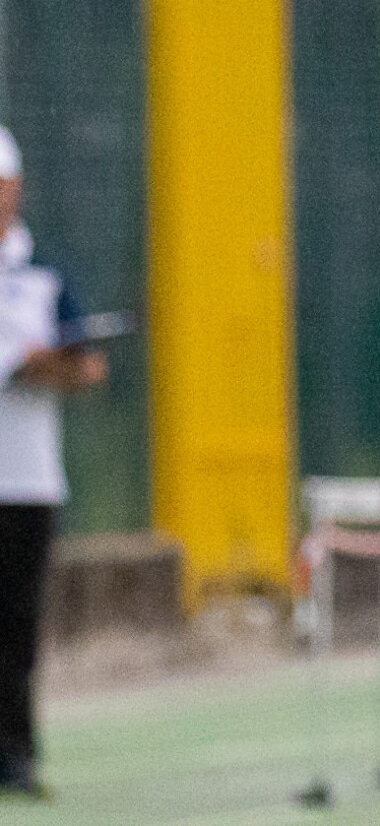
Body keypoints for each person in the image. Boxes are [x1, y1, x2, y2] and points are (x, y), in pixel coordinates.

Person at [0, 127, 104, 801]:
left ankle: (15, 755)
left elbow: (89, 366)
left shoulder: (44, 272)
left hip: (28, 479)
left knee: (16, 622)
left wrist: (48, 369)